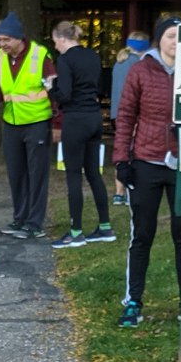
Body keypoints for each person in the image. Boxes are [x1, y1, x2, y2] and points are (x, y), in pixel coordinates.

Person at [113, 17, 181, 329]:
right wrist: (122, 160)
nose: (176, 42)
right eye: (170, 36)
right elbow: (126, 115)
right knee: (142, 234)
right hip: (146, 160)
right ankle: (133, 301)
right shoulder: (141, 70)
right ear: (159, 40)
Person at [47, 20, 115, 248]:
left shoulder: (65, 60)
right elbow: (98, 86)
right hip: (94, 117)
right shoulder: (92, 56)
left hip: (75, 119)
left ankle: (76, 232)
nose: (55, 46)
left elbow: (65, 95)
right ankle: (105, 226)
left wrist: (51, 89)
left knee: (73, 175)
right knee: (94, 173)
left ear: (62, 39)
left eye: (55, 41)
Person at [0, 12, 56, 238]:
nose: (3, 44)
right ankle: (19, 218)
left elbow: (53, 89)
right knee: (16, 173)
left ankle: (34, 223)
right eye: (0, 40)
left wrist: (57, 122)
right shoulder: (0, 57)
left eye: (7, 39)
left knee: (37, 174)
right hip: (11, 122)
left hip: (37, 121)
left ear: (19, 38)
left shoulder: (40, 55)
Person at [109, 29, 151, 205]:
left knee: (121, 150)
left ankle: (119, 193)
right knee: (133, 153)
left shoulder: (119, 63)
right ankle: (130, 190)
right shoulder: (139, 65)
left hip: (116, 114)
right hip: (132, 114)